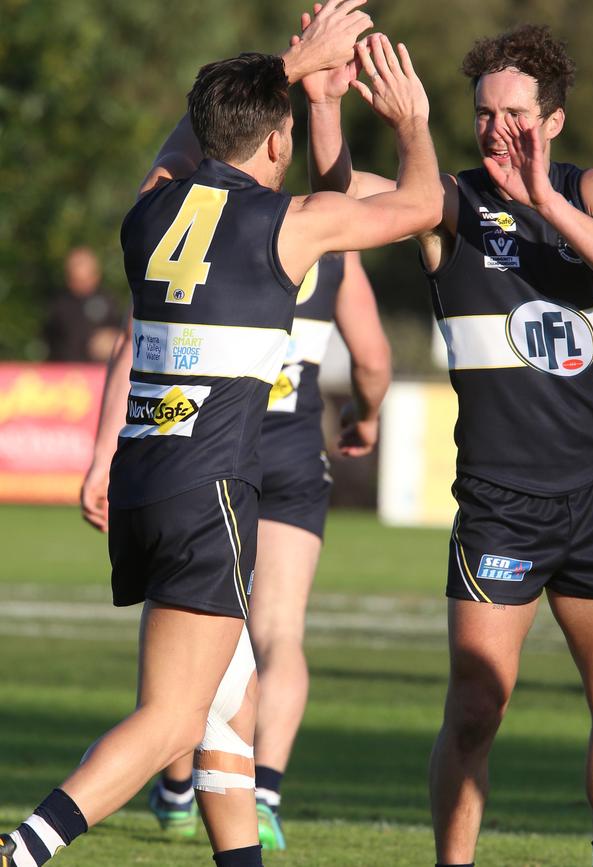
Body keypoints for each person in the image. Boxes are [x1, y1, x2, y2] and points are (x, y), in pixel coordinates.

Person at [0, 10, 442, 866]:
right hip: (211, 494)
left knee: (219, 702)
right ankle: (23, 848)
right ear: (278, 142)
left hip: (143, 479)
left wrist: (287, 69)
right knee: (172, 713)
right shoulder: (285, 223)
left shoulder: (150, 212)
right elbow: (421, 205)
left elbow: (190, 140)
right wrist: (412, 122)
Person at [305, 22, 593, 867]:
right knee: (474, 710)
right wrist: (321, 102)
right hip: (501, 507)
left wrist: (547, 202)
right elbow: (343, 193)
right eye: (486, 112)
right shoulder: (448, 202)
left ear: (554, 120)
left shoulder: (592, 189)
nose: (499, 127)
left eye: (518, 114)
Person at [81, 249, 391, 848]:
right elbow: (374, 358)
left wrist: (100, 457)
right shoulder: (332, 244)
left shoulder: (203, 223)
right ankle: (264, 796)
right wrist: (367, 416)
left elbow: (134, 343)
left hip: (207, 450)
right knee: (279, 635)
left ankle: (175, 790)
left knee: (189, 623)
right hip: (290, 455)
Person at [43, 246, 122, 362]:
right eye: (76, 280)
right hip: (67, 372)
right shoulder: (59, 305)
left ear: (96, 276)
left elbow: (123, 334)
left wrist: (111, 340)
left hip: (98, 372)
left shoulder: (109, 301)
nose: (82, 286)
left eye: (86, 280)